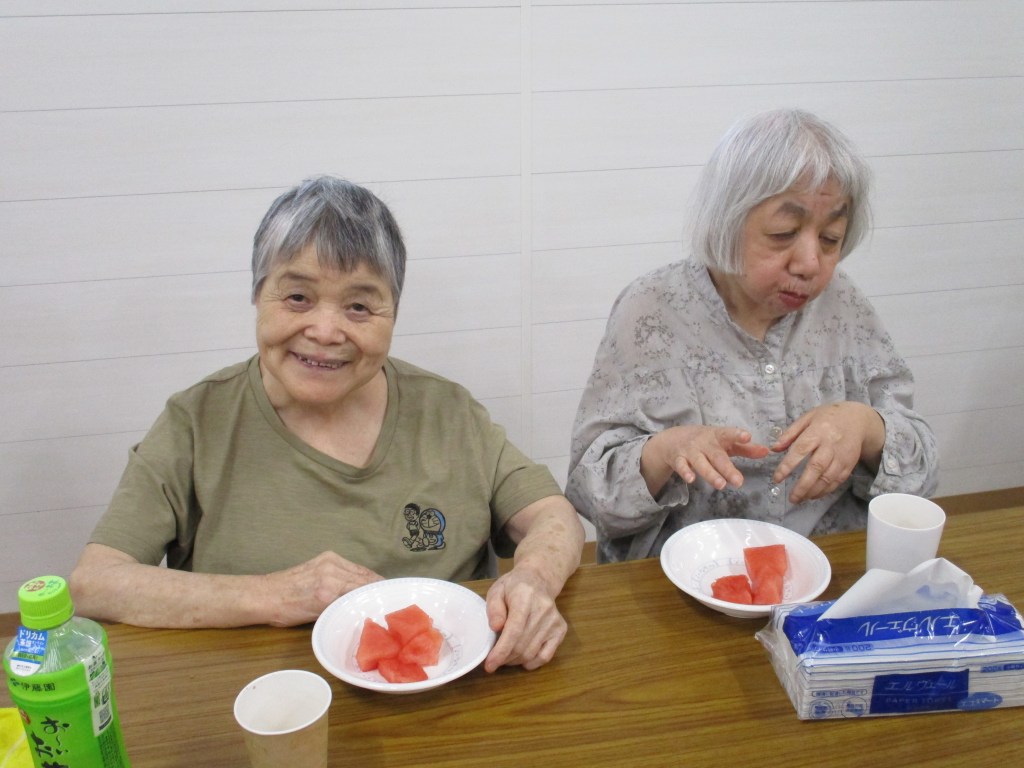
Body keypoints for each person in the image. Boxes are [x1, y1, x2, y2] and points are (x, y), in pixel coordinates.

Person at [70, 175, 584, 673]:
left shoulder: (448, 411)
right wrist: (274, 594)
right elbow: (95, 583)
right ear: (257, 295)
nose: (325, 331)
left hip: (452, 691)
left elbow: (553, 516)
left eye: (359, 306)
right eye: (298, 297)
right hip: (262, 700)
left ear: (393, 313)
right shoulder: (196, 422)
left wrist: (533, 579)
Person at [566, 108, 939, 564]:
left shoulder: (844, 305)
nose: (810, 263)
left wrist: (867, 428)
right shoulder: (651, 312)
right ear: (725, 221)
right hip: (688, 575)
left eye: (830, 238)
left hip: (826, 569)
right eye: (784, 233)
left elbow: (922, 476)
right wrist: (664, 453)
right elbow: (589, 493)